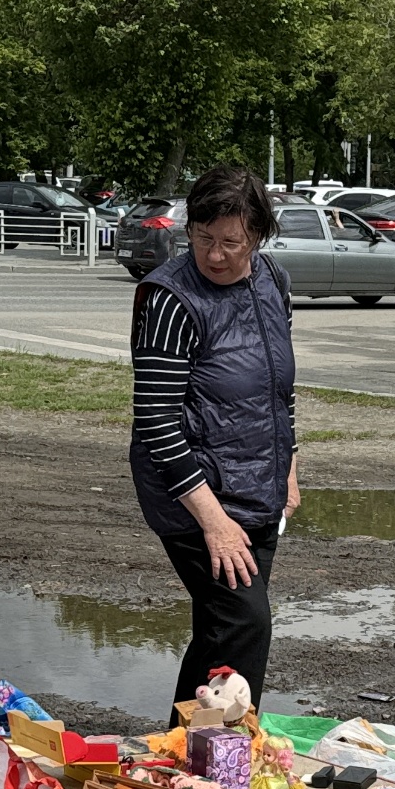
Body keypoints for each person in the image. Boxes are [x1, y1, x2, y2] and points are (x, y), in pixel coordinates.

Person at [128, 165, 297, 712]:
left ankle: (175, 757)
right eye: (204, 239)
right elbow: (156, 423)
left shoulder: (272, 282)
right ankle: (224, 767)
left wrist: (288, 464)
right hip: (193, 498)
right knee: (246, 625)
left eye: (232, 242)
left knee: (219, 635)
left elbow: (277, 388)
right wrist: (214, 522)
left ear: (259, 237)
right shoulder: (171, 300)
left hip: (257, 489)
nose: (216, 255)